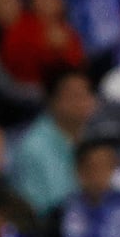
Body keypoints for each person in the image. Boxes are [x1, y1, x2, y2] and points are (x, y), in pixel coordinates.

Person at [8, 67, 97, 217]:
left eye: (86, 93)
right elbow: (34, 211)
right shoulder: (33, 148)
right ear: (52, 100)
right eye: (73, 95)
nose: (82, 101)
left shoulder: (95, 138)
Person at [51, 138, 120, 237]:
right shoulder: (60, 214)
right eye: (93, 167)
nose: (100, 174)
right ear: (79, 170)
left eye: (107, 166)